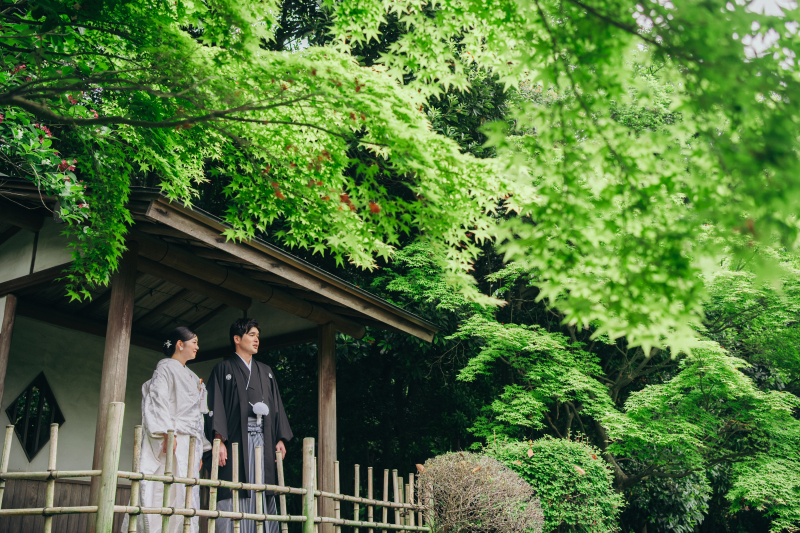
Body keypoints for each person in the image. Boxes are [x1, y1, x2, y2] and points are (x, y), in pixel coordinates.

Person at [204, 318, 293, 533]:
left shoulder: (266, 371)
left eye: (257, 336)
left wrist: (280, 438)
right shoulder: (222, 369)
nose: (256, 340)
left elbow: (277, 406)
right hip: (235, 442)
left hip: (264, 440)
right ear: (237, 339)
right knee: (235, 488)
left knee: (264, 490)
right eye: (251, 335)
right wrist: (219, 439)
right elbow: (214, 405)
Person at [123, 326, 211, 533]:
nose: (198, 347)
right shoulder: (165, 368)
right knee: (161, 489)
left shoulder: (192, 376)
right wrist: (165, 433)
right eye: (194, 342)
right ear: (180, 344)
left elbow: (198, 415)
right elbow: (158, 400)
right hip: (171, 437)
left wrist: (200, 447)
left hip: (189, 441)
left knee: (186, 495)